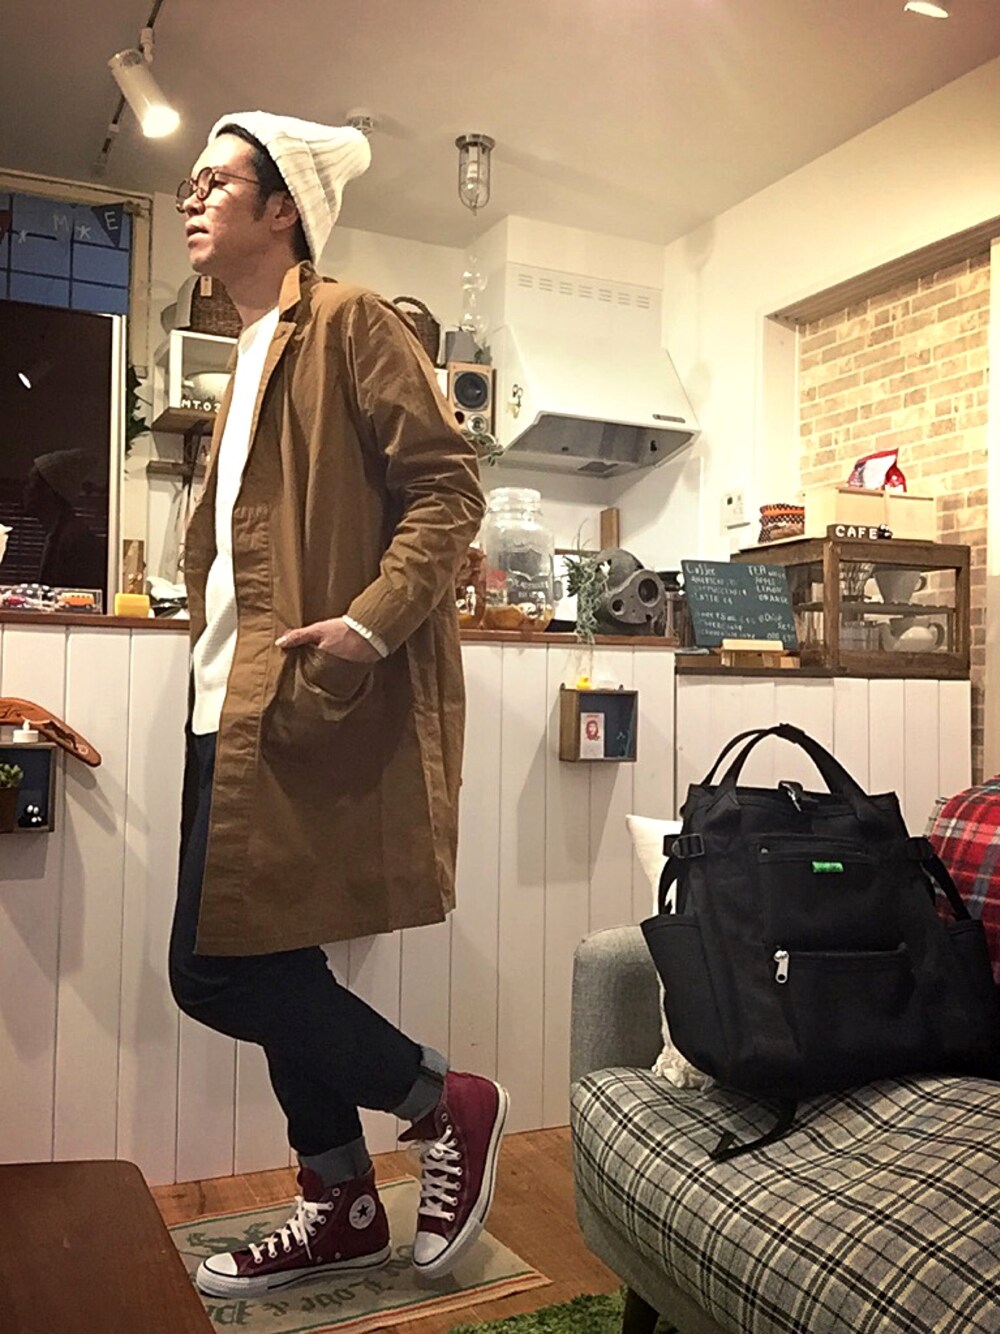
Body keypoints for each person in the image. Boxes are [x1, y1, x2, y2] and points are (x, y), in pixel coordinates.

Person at [170, 110, 505, 1299]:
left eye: (216, 181)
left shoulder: (351, 321)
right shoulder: (246, 351)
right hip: (231, 699)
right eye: (190, 182)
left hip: (293, 694)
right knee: (275, 958)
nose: (191, 197)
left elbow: (449, 488)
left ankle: (441, 1098)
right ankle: (342, 1202)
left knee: (213, 972)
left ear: (282, 209)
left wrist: (368, 624)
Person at [23, 448, 106, 592]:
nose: (26, 490)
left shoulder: (75, 540)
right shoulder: (58, 534)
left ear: (50, 491)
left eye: (32, 484)